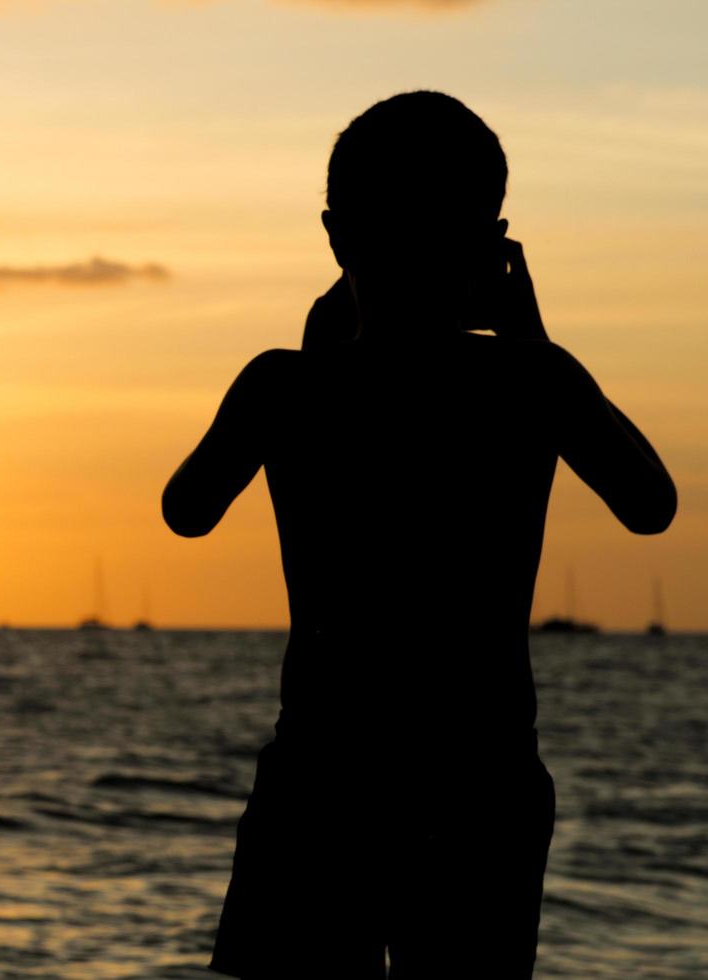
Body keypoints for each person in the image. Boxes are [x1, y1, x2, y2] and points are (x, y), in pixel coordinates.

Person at [161, 91, 677, 979]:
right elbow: (650, 502)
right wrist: (535, 341)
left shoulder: (286, 388)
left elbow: (187, 508)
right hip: (479, 784)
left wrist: (316, 358)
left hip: (323, 781)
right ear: (493, 244)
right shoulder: (532, 384)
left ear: (336, 237)